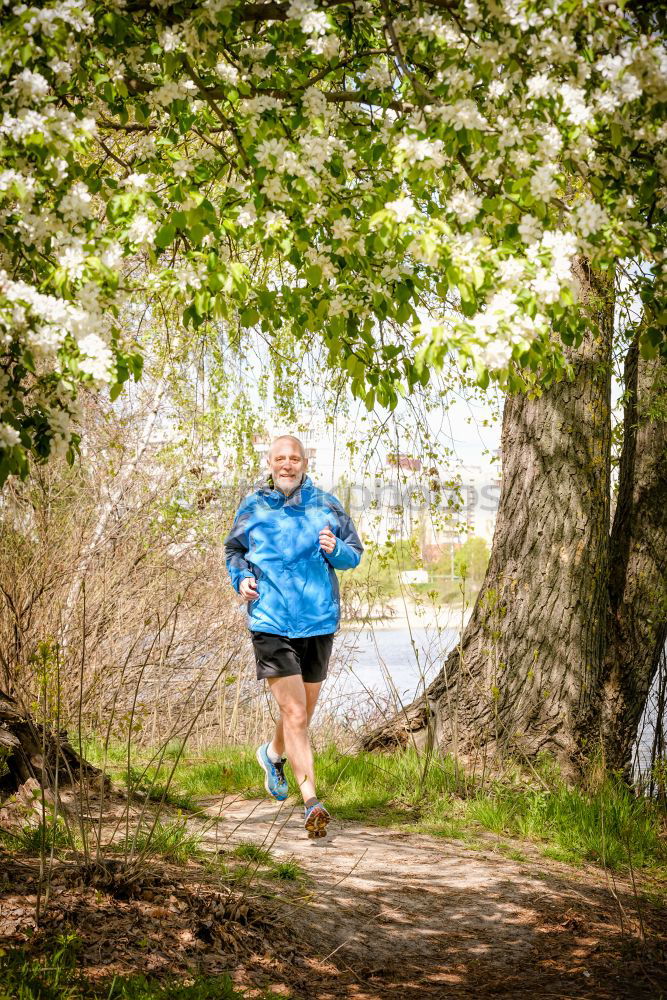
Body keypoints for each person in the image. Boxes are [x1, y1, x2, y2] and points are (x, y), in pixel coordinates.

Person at [224, 435, 363, 838]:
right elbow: (234, 551)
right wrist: (242, 578)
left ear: (304, 462)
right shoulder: (253, 506)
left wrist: (336, 548)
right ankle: (310, 802)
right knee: (296, 715)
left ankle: (272, 755)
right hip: (270, 621)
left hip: (318, 620)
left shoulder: (326, 504)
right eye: (280, 458)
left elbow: (353, 553)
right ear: (270, 463)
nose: (287, 464)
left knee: (302, 713)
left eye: (294, 458)